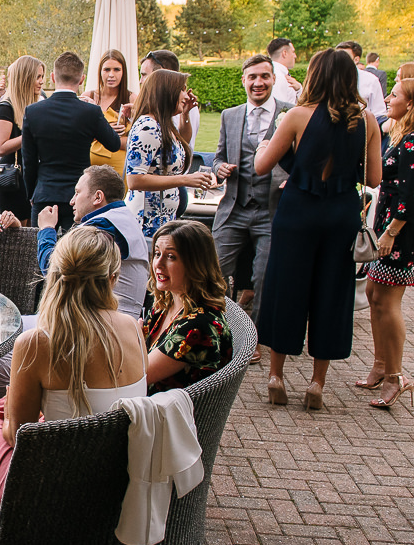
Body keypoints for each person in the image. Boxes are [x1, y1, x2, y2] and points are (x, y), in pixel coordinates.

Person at [0, 226, 148, 506]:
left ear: (54, 274)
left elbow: (20, 437)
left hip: (49, 491)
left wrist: (10, 413)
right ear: (113, 279)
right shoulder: (133, 328)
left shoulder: (38, 343)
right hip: (117, 478)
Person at [255, 48, 382, 410]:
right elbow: (374, 178)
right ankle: (316, 383)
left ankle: (276, 375)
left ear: (314, 75)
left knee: (286, 288)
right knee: (331, 292)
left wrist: (267, 146)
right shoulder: (367, 120)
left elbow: (263, 166)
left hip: (297, 212)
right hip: (340, 213)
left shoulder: (297, 115)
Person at [359, 76, 414, 409]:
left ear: (412, 103)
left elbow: (411, 194)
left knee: (388, 302)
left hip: (401, 231)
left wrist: (391, 232)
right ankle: (379, 364)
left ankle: (395, 377)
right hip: (388, 226)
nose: (388, 98)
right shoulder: (402, 135)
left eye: (395, 95)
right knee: (374, 294)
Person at [212, 55, 292, 333]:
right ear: (243, 81)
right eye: (252, 77)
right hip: (235, 207)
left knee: (264, 277)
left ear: (273, 79)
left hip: (271, 210)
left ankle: (254, 338)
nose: (258, 83)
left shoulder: (289, 113)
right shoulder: (230, 116)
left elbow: (302, 161)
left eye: (264, 76)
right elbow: (218, 156)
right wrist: (220, 167)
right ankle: (216, 330)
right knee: (213, 270)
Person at [23, 52, 120, 234]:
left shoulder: (33, 111)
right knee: (75, 254)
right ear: (81, 79)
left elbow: (28, 160)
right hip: (81, 194)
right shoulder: (91, 112)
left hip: (45, 192)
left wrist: (31, 193)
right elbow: (114, 144)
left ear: (52, 76)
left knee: (38, 252)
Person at [36, 165, 149, 318]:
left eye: (77, 193)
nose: (71, 201)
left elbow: (54, 271)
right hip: (113, 320)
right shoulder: (122, 219)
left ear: (98, 197)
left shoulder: (104, 226)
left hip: (105, 327)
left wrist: (47, 228)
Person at [142, 219, 234, 395]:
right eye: (156, 254)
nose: (158, 264)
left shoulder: (198, 325)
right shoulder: (166, 303)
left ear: (195, 263)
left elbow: (137, 378)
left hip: (166, 416)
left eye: (171, 257)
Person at [125, 69, 211, 240]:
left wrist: (185, 114)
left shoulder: (162, 124)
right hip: (146, 223)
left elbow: (181, 144)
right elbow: (134, 180)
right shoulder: (148, 127)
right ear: (167, 91)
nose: (186, 96)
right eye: (182, 89)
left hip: (162, 219)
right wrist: (185, 180)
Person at [0, 56, 43, 222]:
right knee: (17, 228)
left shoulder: (37, 104)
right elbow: (1, 147)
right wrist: (30, 134)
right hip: (12, 179)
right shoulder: (5, 108)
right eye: (38, 77)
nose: (41, 82)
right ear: (25, 78)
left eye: (42, 76)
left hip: (32, 174)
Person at [83, 49, 133, 175]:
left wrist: (106, 137)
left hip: (120, 168)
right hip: (90, 167)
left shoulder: (132, 99)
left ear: (123, 72)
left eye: (116, 69)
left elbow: (139, 141)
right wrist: (104, 132)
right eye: (106, 70)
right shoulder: (89, 97)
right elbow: (78, 135)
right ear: (100, 71)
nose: (111, 74)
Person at [268, 38, 301, 106]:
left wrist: (299, 89)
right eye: (293, 52)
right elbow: (280, 108)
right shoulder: (278, 77)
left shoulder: (279, 74)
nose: (295, 56)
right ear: (284, 53)